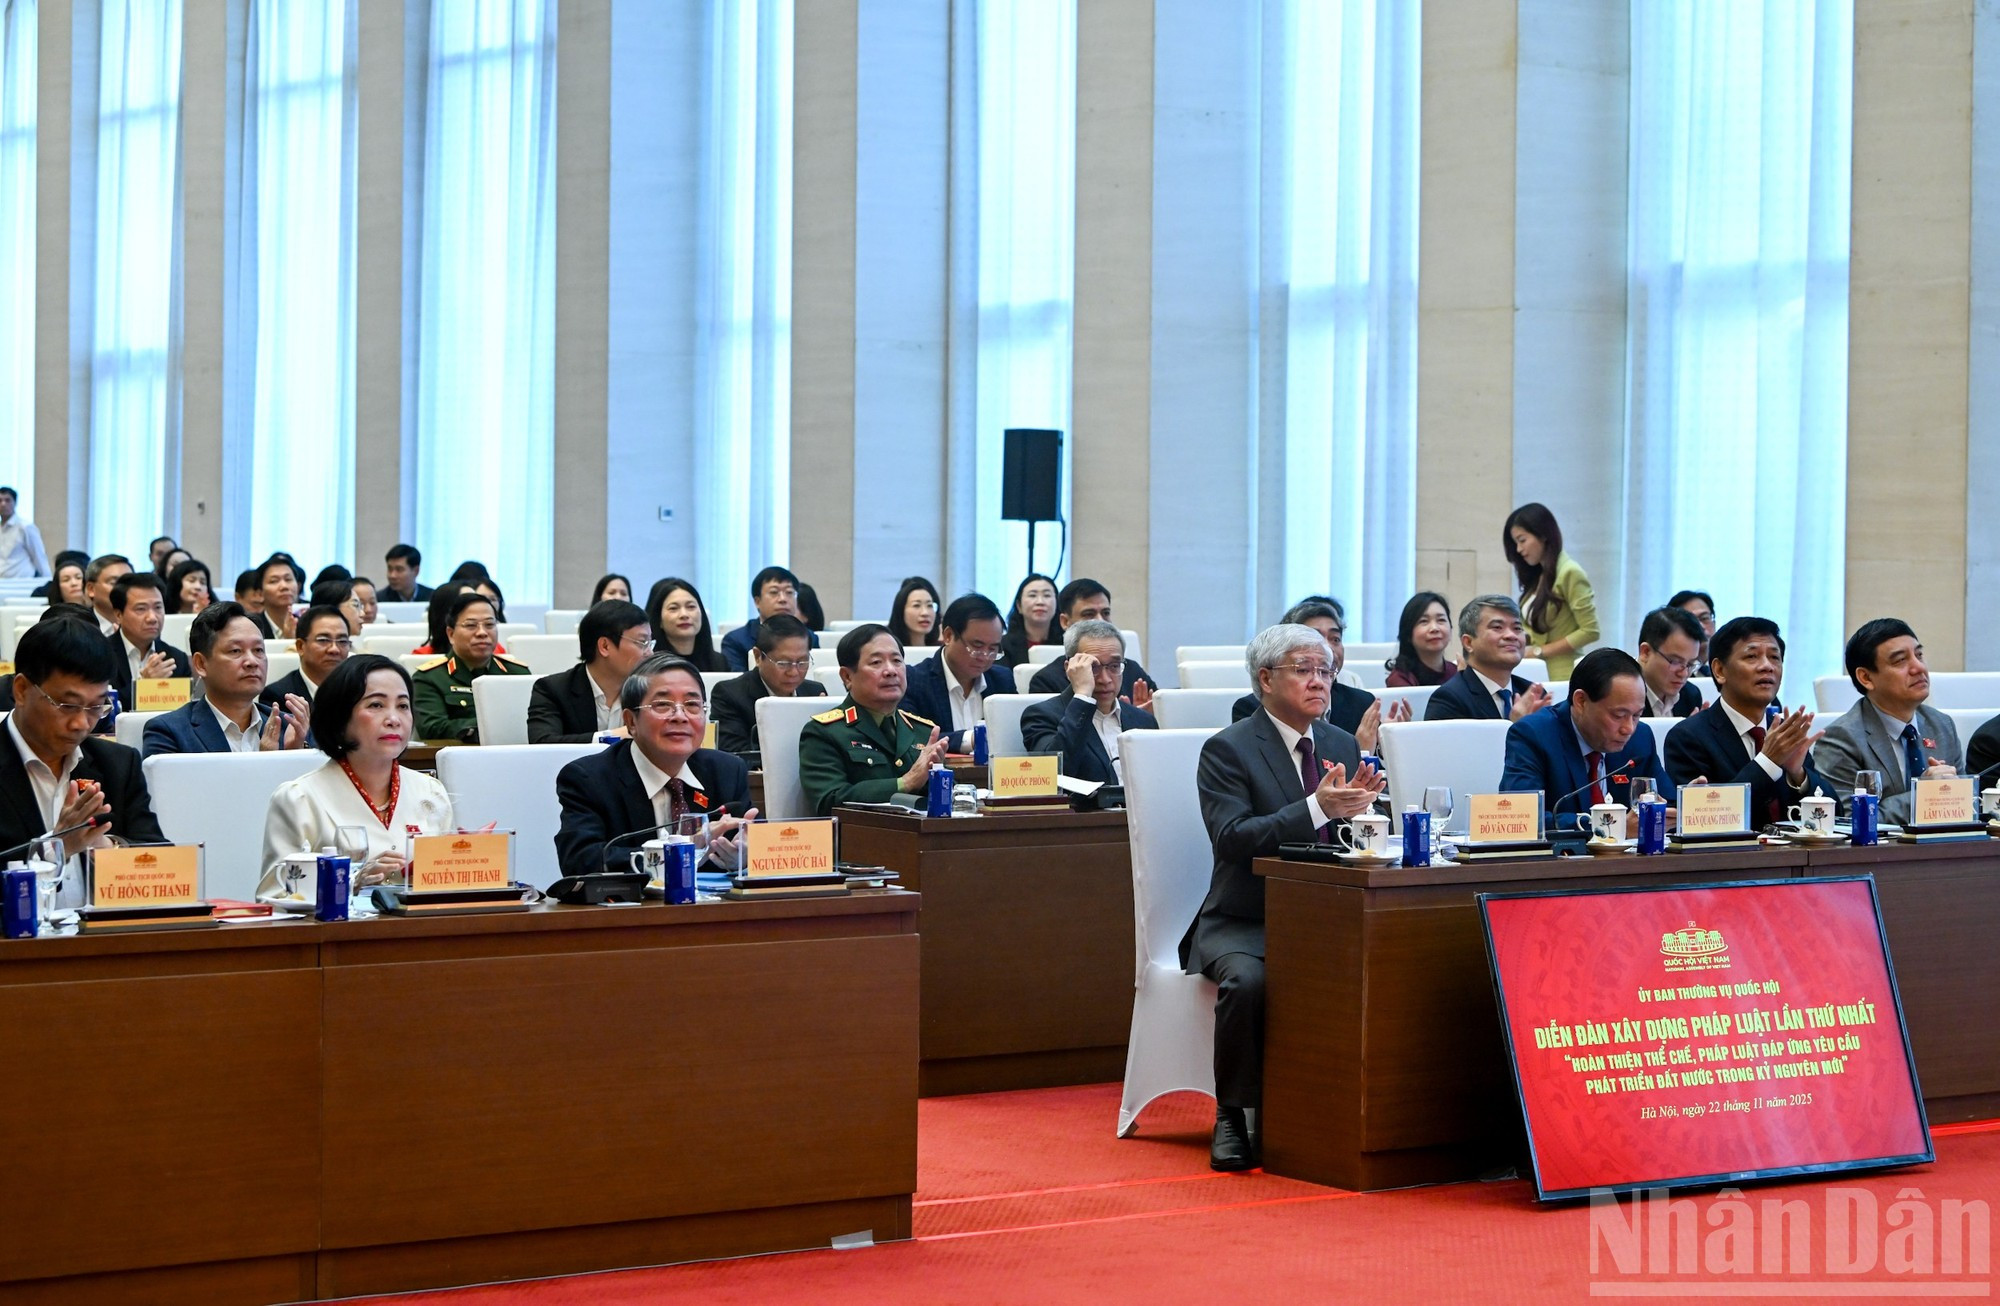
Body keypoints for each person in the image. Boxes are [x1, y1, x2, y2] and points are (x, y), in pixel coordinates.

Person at [1179, 623, 1383, 1171]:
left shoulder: (1340, 743)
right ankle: (1232, 1115)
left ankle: (1352, 1114)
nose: (1320, 682)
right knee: (1250, 983)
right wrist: (1319, 808)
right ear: (1266, 679)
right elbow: (1234, 839)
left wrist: (1368, 822)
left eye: (1326, 671)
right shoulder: (1227, 749)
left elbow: (1347, 833)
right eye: (1305, 670)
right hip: (1245, 917)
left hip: (1324, 914)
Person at [258, 655, 455, 896]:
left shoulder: (430, 791)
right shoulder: (299, 798)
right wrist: (351, 882)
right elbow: (275, 897)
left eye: (402, 706)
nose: (394, 719)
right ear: (340, 718)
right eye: (376, 705)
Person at [0, 620, 165, 906]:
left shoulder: (117, 764)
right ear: (22, 690)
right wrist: (55, 848)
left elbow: (160, 861)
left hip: (104, 943)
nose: (81, 724)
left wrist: (106, 847)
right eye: (67, 705)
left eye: (95, 707)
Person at [553, 655, 756, 879]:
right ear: (631, 722)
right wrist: (684, 848)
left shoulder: (726, 771)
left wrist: (744, 858)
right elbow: (581, 861)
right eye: (663, 705)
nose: (680, 716)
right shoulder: (589, 778)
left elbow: (748, 849)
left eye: (691, 705)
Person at [1663, 616, 1827, 827]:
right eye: (1752, 656)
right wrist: (1768, 762)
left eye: (1775, 657)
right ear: (1720, 671)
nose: (1767, 666)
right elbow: (1706, 819)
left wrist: (1799, 775)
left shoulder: (1784, 732)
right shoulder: (1688, 737)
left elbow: (1837, 815)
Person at [1499, 648, 1666, 836]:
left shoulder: (1640, 737)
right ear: (1581, 701)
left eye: (1637, 715)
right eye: (1618, 715)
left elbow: (1666, 802)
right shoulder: (1533, 735)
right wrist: (1612, 827)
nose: (1629, 728)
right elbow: (1520, 817)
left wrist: (1685, 806)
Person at [1814, 619, 1964, 824]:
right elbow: (1845, 820)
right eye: (1901, 660)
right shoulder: (1842, 739)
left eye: (1919, 655)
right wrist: (1923, 795)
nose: (1918, 667)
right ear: (1866, 677)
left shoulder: (1941, 725)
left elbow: (1964, 806)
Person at [797, 624, 950, 817]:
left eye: (896, 661)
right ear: (847, 676)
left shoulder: (924, 731)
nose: (891, 671)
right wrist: (906, 782)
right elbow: (830, 800)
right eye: (876, 663)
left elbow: (948, 796)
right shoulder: (824, 733)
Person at [1229, 597, 1401, 751]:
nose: (1328, 648)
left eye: (1335, 639)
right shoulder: (1251, 711)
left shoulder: (1361, 704)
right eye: (1303, 670)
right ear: (1267, 679)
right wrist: (1356, 753)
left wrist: (1389, 745)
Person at [143, 602, 311, 757]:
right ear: (201, 664)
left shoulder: (291, 727)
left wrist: (294, 755)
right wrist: (265, 761)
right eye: (236, 651)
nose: (252, 661)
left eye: (258, 650)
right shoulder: (168, 732)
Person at [1020, 620, 1157, 784]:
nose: (1105, 679)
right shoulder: (1041, 716)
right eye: (1093, 667)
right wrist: (1083, 695)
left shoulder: (1144, 720)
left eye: (1114, 666)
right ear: (1069, 669)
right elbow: (1054, 775)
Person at [898, 593, 1015, 753]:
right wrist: (973, 739)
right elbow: (914, 738)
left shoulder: (1002, 680)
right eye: (977, 646)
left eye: (993, 649)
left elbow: (1014, 735)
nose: (985, 657)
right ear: (948, 636)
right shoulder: (914, 680)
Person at [411, 591, 532, 743]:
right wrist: (490, 727)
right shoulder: (429, 677)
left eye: (489, 625)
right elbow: (432, 727)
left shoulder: (518, 673)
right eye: (471, 625)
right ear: (451, 634)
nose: (482, 633)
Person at [527, 600, 655, 744]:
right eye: (642, 643)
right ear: (605, 646)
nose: (650, 653)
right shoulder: (552, 690)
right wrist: (611, 736)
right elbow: (543, 743)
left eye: (650, 643)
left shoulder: (649, 691)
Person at [710, 613, 826, 759]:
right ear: (758, 656)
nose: (794, 672)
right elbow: (736, 754)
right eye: (783, 663)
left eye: (802, 662)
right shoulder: (729, 694)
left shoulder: (815, 693)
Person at [1504, 503, 1598, 682]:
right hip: (1535, 673)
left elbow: (1591, 630)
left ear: (1543, 535)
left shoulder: (1570, 572)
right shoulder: (1539, 575)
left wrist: (1538, 652)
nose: (1519, 549)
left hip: (1564, 674)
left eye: (1522, 540)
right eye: (1516, 543)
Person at [1424, 595, 1553, 722]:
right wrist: (1517, 727)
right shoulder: (1448, 700)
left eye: (1517, 628)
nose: (1511, 635)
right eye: (1497, 627)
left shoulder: (1531, 694)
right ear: (1468, 643)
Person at [1027, 579, 1160, 701]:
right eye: (1089, 614)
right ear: (1065, 621)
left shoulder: (1131, 670)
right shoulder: (1046, 681)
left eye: (1105, 613)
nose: (1100, 621)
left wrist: (1142, 718)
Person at [100, 572, 192, 732]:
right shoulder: (101, 653)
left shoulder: (176, 658)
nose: (152, 617)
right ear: (118, 614)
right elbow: (103, 709)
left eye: (158, 608)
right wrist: (145, 686)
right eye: (141, 609)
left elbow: (184, 714)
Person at [720, 567, 819, 671]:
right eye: (774, 592)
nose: (783, 599)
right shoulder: (736, 641)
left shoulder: (809, 637)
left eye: (789, 592)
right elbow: (737, 683)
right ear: (757, 601)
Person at [260, 604, 354, 707]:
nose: (334, 649)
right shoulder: (280, 697)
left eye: (342, 641)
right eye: (323, 640)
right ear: (300, 647)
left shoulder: (358, 690)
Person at [645, 577, 730, 672]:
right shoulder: (648, 665)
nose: (684, 615)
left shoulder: (719, 662)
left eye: (691, 607)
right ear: (658, 619)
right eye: (673, 608)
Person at [1635, 606, 1707, 718]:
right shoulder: (1620, 694)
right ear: (1646, 652)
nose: (1684, 674)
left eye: (1690, 664)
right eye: (1675, 662)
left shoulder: (1690, 695)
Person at [1384, 591, 1458, 687]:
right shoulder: (1400, 679)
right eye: (1424, 621)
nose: (1434, 628)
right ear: (1408, 634)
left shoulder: (1456, 672)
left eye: (1441, 620)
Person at [998, 574, 1060, 668]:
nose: (1040, 602)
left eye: (1047, 595)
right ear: (1019, 606)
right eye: (1032, 595)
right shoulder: (1003, 645)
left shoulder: (1066, 645)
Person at [0, 486, 50, 579]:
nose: (3, 504)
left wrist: (47, 582)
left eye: (7, 500)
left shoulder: (25, 527)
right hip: (2, 584)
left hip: (23, 583)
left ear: (15, 503)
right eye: (0, 500)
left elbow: (39, 556)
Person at [1669, 590, 1719, 676]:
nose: (1701, 626)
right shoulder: (1669, 672)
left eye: (1704, 618)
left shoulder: (1728, 668)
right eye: (1691, 620)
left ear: (1714, 623)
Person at [254, 553, 302, 640]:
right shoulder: (253, 627)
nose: (284, 586)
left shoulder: (309, 625)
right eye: (274, 581)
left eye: (288, 579)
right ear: (260, 593)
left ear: (298, 587)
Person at [887, 576, 943, 648]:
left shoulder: (942, 650)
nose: (925, 613)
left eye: (930, 605)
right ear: (901, 610)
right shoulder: (889, 649)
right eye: (916, 605)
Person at [84, 555, 133, 635]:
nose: (124, 589)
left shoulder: (146, 625)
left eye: (129, 582)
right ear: (91, 589)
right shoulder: (79, 627)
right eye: (114, 583)